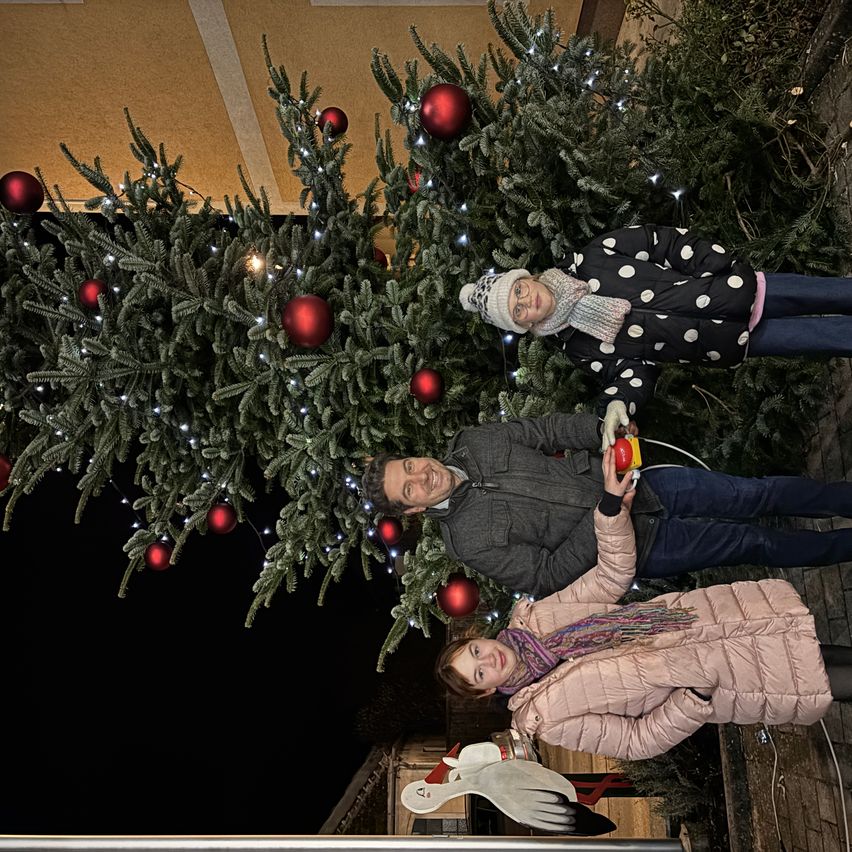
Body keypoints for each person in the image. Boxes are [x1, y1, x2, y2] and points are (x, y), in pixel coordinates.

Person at [433, 447, 852, 761]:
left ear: (479, 639)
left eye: (475, 652)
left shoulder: (537, 618)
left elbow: (608, 578)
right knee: (823, 679)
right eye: (480, 672)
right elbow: (635, 741)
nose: (488, 659)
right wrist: (692, 699)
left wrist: (611, 513)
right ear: (486, 690)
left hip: (710, 620)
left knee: (826, 652)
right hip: (718, 677)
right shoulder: (546, 716)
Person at [362, 411, 852, 597]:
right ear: (414, 511)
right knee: (754, 541)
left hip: (647, 481)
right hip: (639, 545)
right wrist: (606, 508)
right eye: (411, 489)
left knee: (756, 493)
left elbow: (547, 431)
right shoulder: (467, 543)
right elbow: (546, 576)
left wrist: (602, 430)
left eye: (409, 466)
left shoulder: (473, 440)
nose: (421, 476)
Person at [459, 224, 852, 451]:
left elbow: (662, 243)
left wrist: (720, 267)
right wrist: (617, 404)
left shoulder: (593, 256)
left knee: (837, 293)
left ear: (525, 277)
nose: (526, 302)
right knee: (832, 337)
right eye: (517, 312)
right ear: (522, 327)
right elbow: (633, 371)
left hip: (738, 289)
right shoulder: (577, 347)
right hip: (732, 340)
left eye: (518, 291)